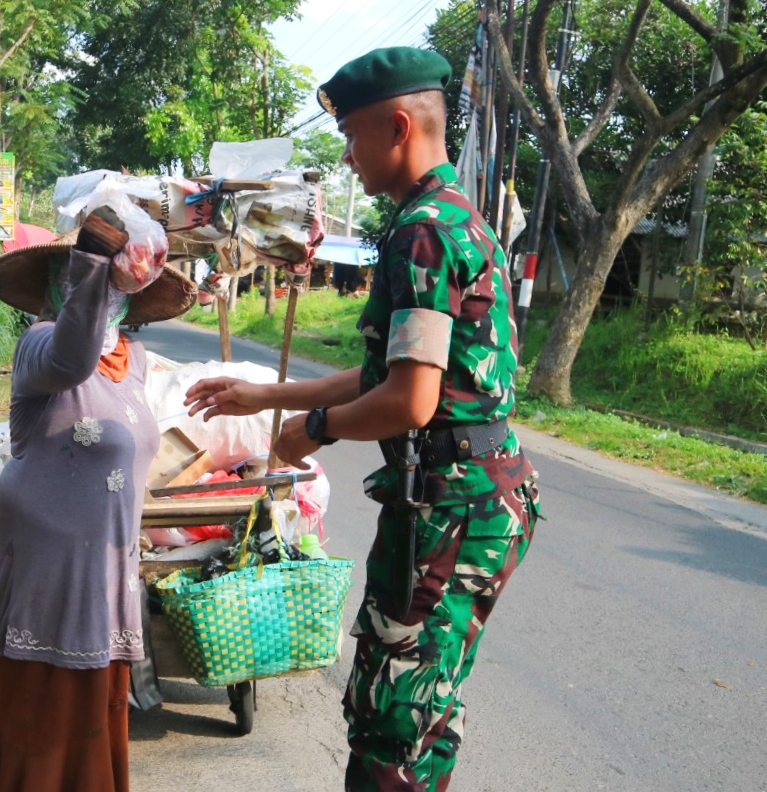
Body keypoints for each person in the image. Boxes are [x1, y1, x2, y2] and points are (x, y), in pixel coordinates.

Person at [185, 47, 541, 792]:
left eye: (350, 136)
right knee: (424, 705)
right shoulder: (457, 219)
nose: (345, 157)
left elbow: (409, 404)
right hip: (479, 495)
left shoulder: (421, 232)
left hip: (448, 508)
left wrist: (311, 434)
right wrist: (267, 399)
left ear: (399, 126)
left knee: (393, 717)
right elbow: (400, 376)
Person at [0, 208, 195, 792]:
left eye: (93, 276)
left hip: (107, 557)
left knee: (94, 702)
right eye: (71, 275)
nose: (84, 288)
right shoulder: (40, 344)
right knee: (49, 699)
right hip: (50, 553)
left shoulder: (136, 361)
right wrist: (93, 257)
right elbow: (73, 355)